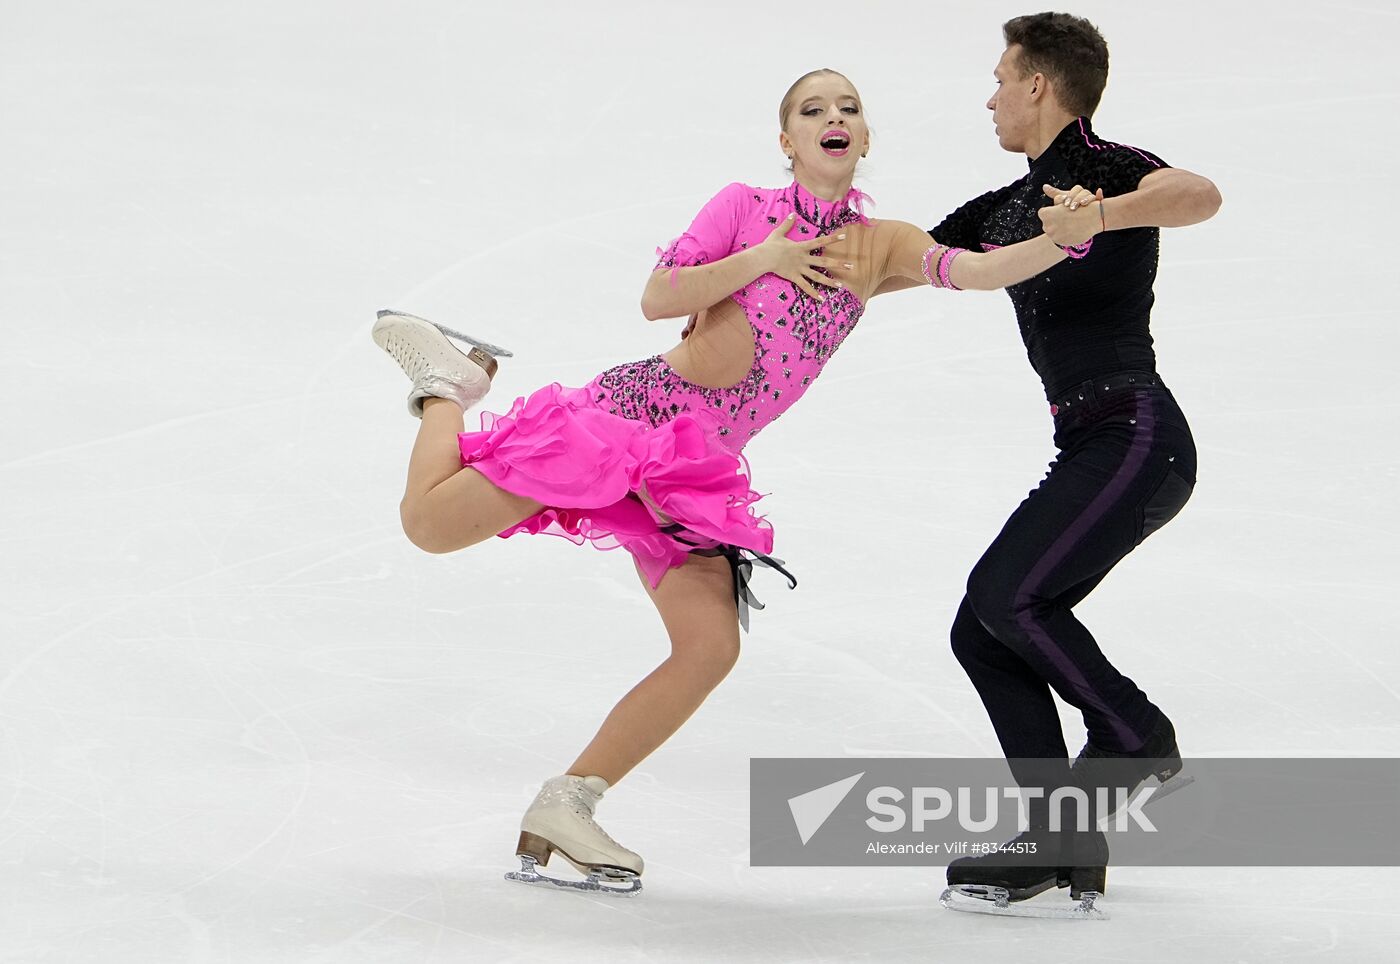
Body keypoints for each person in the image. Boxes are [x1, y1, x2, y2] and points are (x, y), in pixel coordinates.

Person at [370, 68, 1095, 895]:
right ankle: (450, 386)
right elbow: (656, 297)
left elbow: (975, 271)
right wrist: (766, 256)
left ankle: (567, 803)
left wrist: (1064, 240)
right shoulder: (743, 207)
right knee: (429, 526)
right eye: (812, 109)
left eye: (849, 109)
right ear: (787, 141)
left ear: (864, 138)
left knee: (710, 645)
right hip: (634, 417)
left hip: (692, 466)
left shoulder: (882, 243)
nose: (834, 117)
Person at [917, 13, 1222, 913]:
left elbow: (1199, 195)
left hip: (1137, 434)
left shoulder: (1108, 165)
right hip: (1091, 442)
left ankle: (1136, 735)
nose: (991, 96)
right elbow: (909, 259)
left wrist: (1104, 215)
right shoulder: (1006, 209)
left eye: (1002, 77)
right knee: (983, 626)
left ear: (1040, 84)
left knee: (1011, 597)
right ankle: (1064, 840)